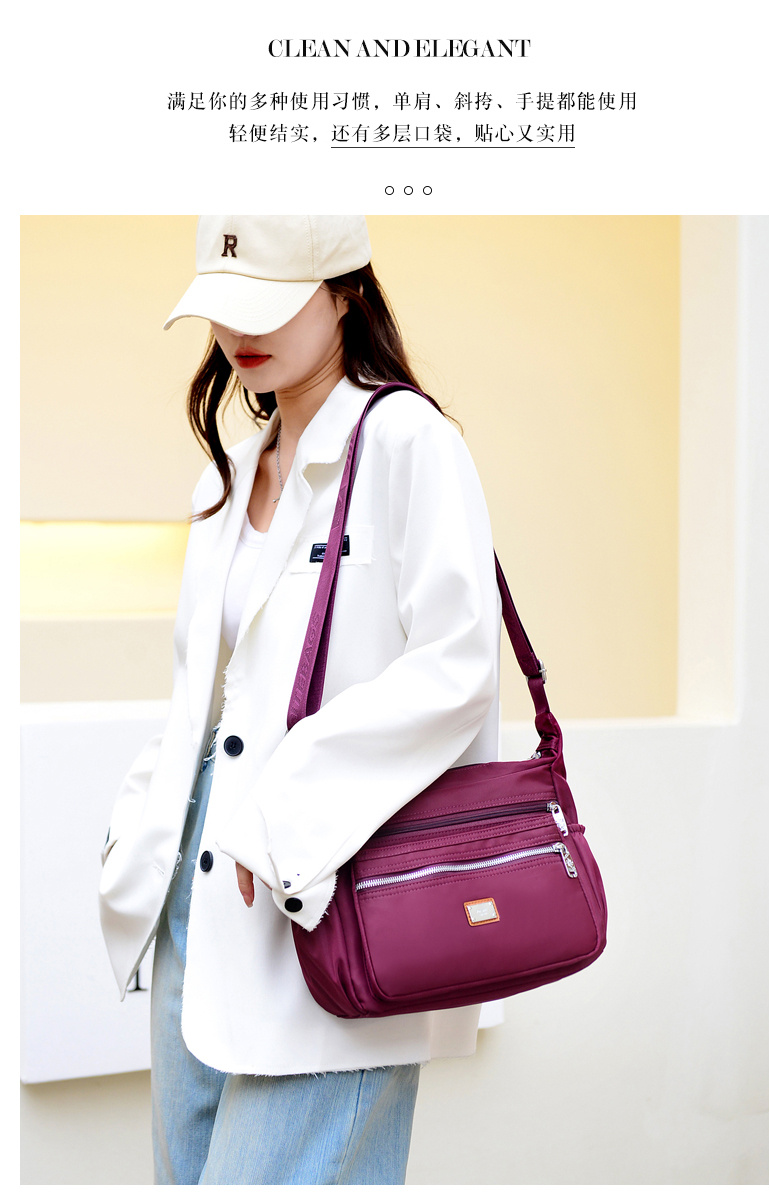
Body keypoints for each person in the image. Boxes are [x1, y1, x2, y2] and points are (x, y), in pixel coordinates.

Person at [99, 215, 501, 1185]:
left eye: (271, 302)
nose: (242, 331)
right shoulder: (228, 476)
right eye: (223, 304)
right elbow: (201, 693)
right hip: (196, 895)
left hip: (328, 888)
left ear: (346, 292)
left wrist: (286, 808)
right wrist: (132, 830)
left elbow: (458, 667)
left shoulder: (406, 440)